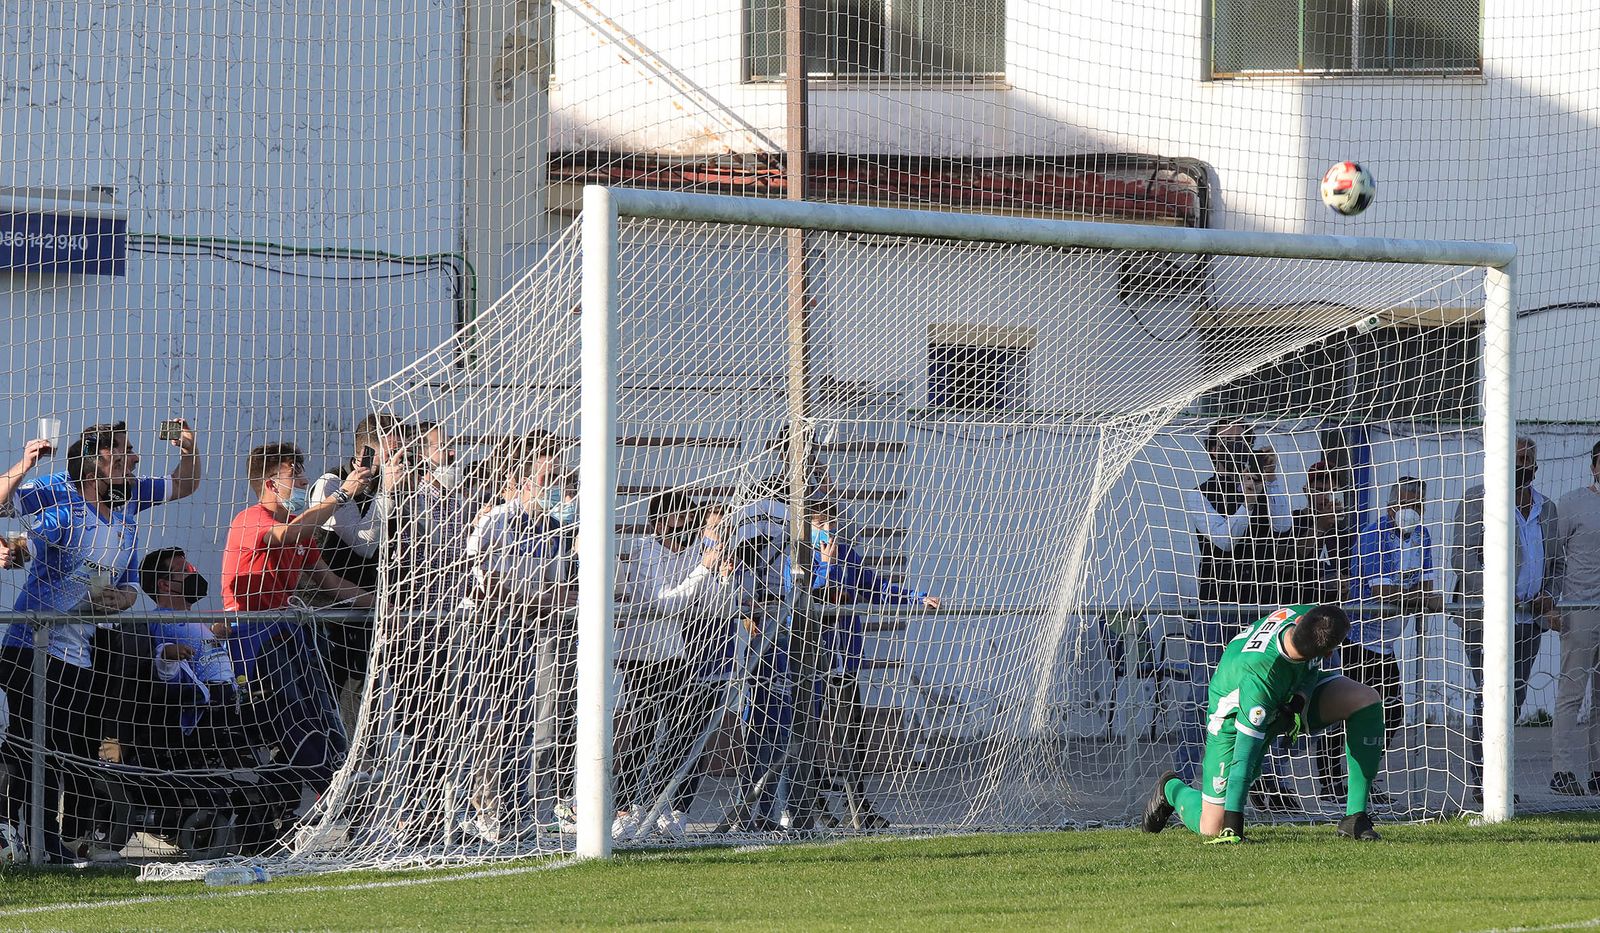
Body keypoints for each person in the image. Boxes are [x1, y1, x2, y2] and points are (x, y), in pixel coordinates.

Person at [1, 421, 199, 858]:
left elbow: (130, 584)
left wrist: (122, 598)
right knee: (36, 752)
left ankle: (73, 840)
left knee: (77, 750)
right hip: (32, 648)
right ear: (96, 461)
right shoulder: (62, 503)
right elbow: (27, 544)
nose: (136, 457)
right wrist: (14, 548)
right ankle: (36, 843)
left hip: (84, 653)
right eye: (126, 450)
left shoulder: (126, 516)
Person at [1141, 603, 1385, 843]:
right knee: (1211, 826)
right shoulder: (1261, 679)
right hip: (1233, 718)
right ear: (1330, 653)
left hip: (1287, 692)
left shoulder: (1311, 618)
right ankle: (1172, 789)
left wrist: (1300, 698)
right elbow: (1243, 760)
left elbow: (1310, 667)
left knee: (1365, 700)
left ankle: (1354, 817)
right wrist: (1233, 827)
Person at [459, 431, 574, 840]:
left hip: (535, 631)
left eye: (560, 475)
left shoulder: (557, 530)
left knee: (525, 724)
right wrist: (529, 596)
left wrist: (551, 598)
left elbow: (559, 587)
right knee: (490, 722)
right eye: (549, 477)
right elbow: (477, 577)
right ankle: (485, 809)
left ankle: (520, 809)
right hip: (489, 632)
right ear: (523, 481)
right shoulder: (496, 520)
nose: (557, 485)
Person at [1179, 421, 1296, 811]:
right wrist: (1247, 499)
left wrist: (1271, 482)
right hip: (1219, 607)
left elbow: (1283, 526)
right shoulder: (1199, 493)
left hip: (1263, 610)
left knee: (1269, 694)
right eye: (1229, 443)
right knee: (1204, 694)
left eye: (1244, 441)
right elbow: (1223, 538)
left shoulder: (1262, 486)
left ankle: (1270, 781)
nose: (1238, 449)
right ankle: (1194, 778)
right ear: (1213, 451)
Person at [803, 500, 938, 829]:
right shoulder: (801, 555)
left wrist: (915, 597)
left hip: (845, 659)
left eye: (834, 529)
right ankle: (813, 806)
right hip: (810, 660)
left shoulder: (846, 553)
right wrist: (826, 563)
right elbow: (811, 596)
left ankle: (858, 807)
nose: (831, 536)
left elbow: (873, 587)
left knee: (852, 734)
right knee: (808, 735)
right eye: (824, 531)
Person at [611, 491, 730, 839]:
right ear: (658, 525)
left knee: (688, 731)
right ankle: (626, 807)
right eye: (678, 528)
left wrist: (721, 577)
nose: (686, 536)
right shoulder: (645, 551)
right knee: (644, 730)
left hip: (687, 650)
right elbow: (662, 603)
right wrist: (703, 572)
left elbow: (715, 604)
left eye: (691, 527)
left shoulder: (699, 553)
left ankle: (669, 807)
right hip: (646, 653)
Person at [1454, 437, 1562, 792]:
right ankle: (1484, 780)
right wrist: (1501, 597)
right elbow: (1463, 560)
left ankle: (1501, 770)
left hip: (1529, 623)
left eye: (1529, 461)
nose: (1524, 467)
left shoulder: (1546, 508)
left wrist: (1547, 595)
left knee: (1514, 698)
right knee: (1489, 695)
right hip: (1485, 620)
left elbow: (1557, 564)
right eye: (1518, 459)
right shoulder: (1475, 500)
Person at [1351, 476, 1442, 805]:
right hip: (1357, 638)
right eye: (1404, 505)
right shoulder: (1374, 534)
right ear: (1391, 506)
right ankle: (1335, 783)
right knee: (1351, 712)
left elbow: (1430, 593)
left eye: (1416, 506)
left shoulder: (1422, 536)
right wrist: (1414, 595)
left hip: (1386, 641)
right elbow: (1381, 591)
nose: (1410, 512)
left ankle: (1364, 779)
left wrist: (1413, 595)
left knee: (1391, 712)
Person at [222, 442, 375, 614]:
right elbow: (289, 534)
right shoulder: (250, 518)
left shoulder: (301, 529)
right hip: (248, 626)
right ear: (271, 485)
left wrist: (383, 607)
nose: (304, 481)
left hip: (283, 623)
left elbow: (332, 583)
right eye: (294, 474)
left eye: (302, 473)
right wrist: (342, 494)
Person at [1290, 461, 1360, 800]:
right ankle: (1275, 781)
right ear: (1308, 488)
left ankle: (1332, 782)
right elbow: (1296, 563)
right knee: (1287, 702)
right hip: (1298, 630)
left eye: (1330, 486)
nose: (1324, 493)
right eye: (1318, 485)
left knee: (1331, 707)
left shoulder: (1345, 529)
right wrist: (1319, 526)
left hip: (1329, 630)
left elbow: (1346, 577)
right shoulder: (1298, 519)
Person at [1552, 440, 1600, 795]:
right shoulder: (1572, 503)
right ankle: (1563, 770)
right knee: (1572, 693)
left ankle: (1598, 770)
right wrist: (1555, 603)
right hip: (1579, 611)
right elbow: (1552, 557)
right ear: (1594, 466)